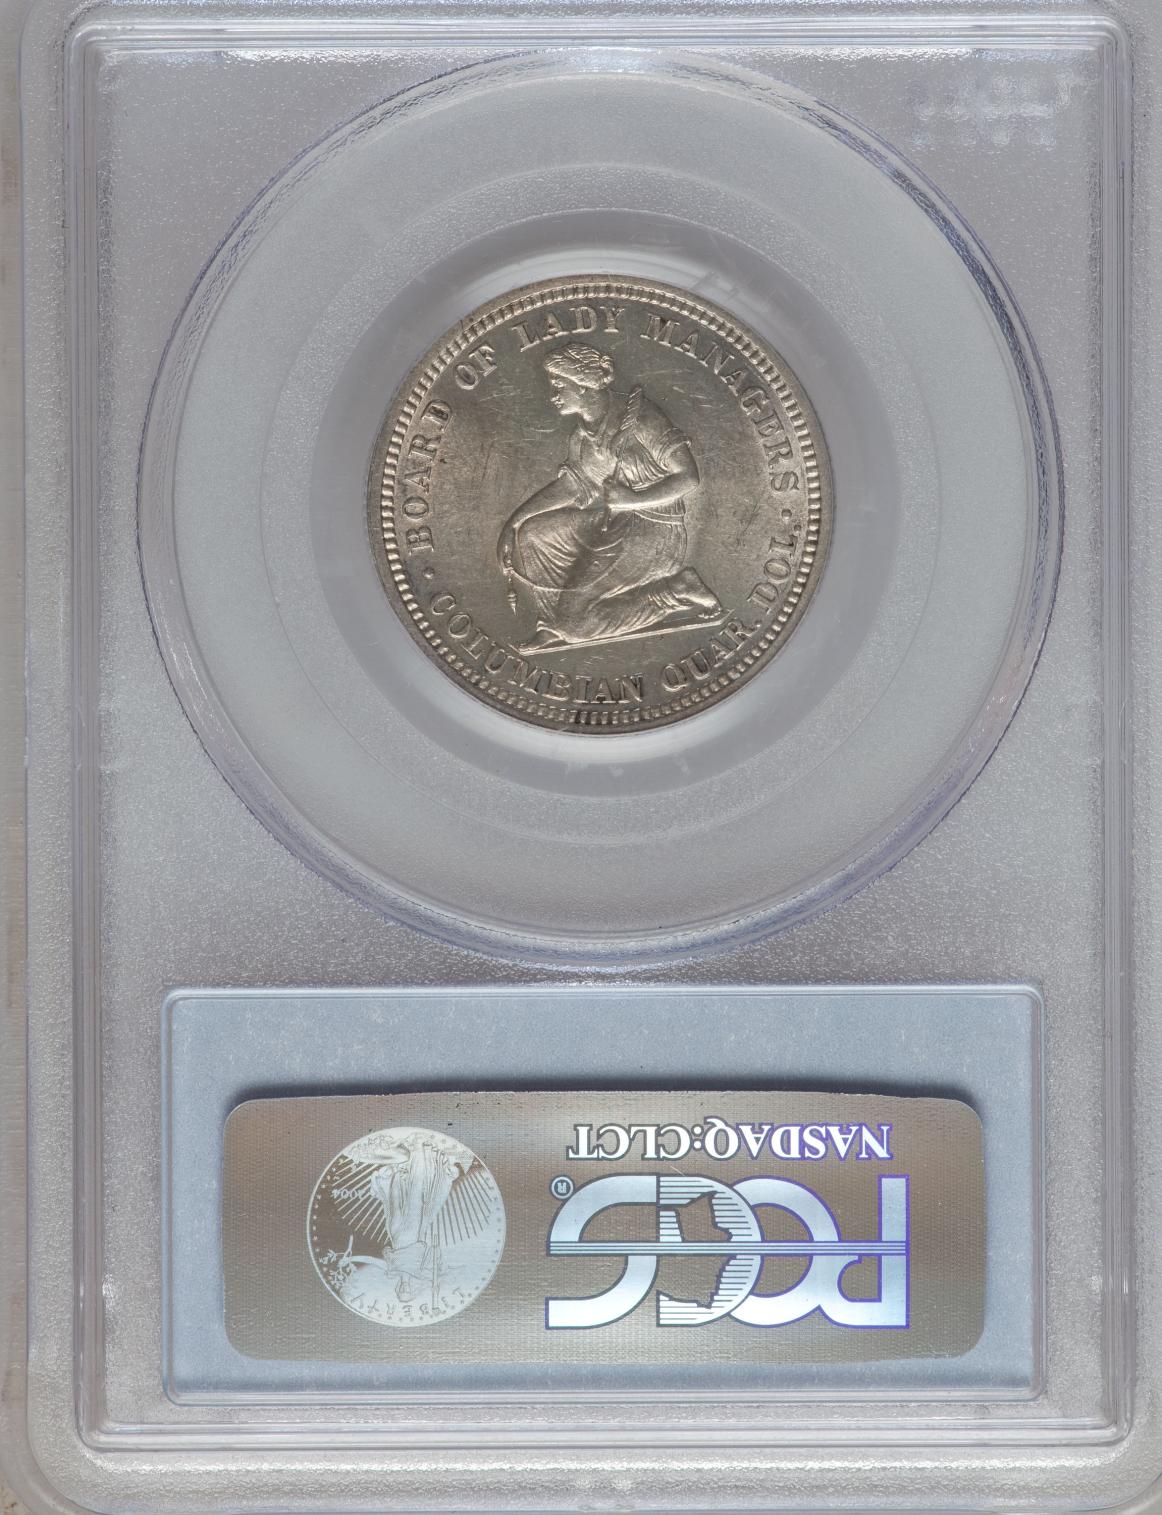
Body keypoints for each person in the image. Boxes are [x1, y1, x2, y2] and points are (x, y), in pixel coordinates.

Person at [498, 343, 721, 651]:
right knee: (533, 533)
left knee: (576, 624)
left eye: (559, 386)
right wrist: (513, 522)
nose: (553, 395)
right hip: (614, 525)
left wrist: (631, 499)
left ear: (583, 386)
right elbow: (572, 487)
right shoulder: (581, 437)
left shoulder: (641, 418)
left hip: (656, 533)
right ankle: (552, 624)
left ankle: (675, 590)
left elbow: (688, 477)